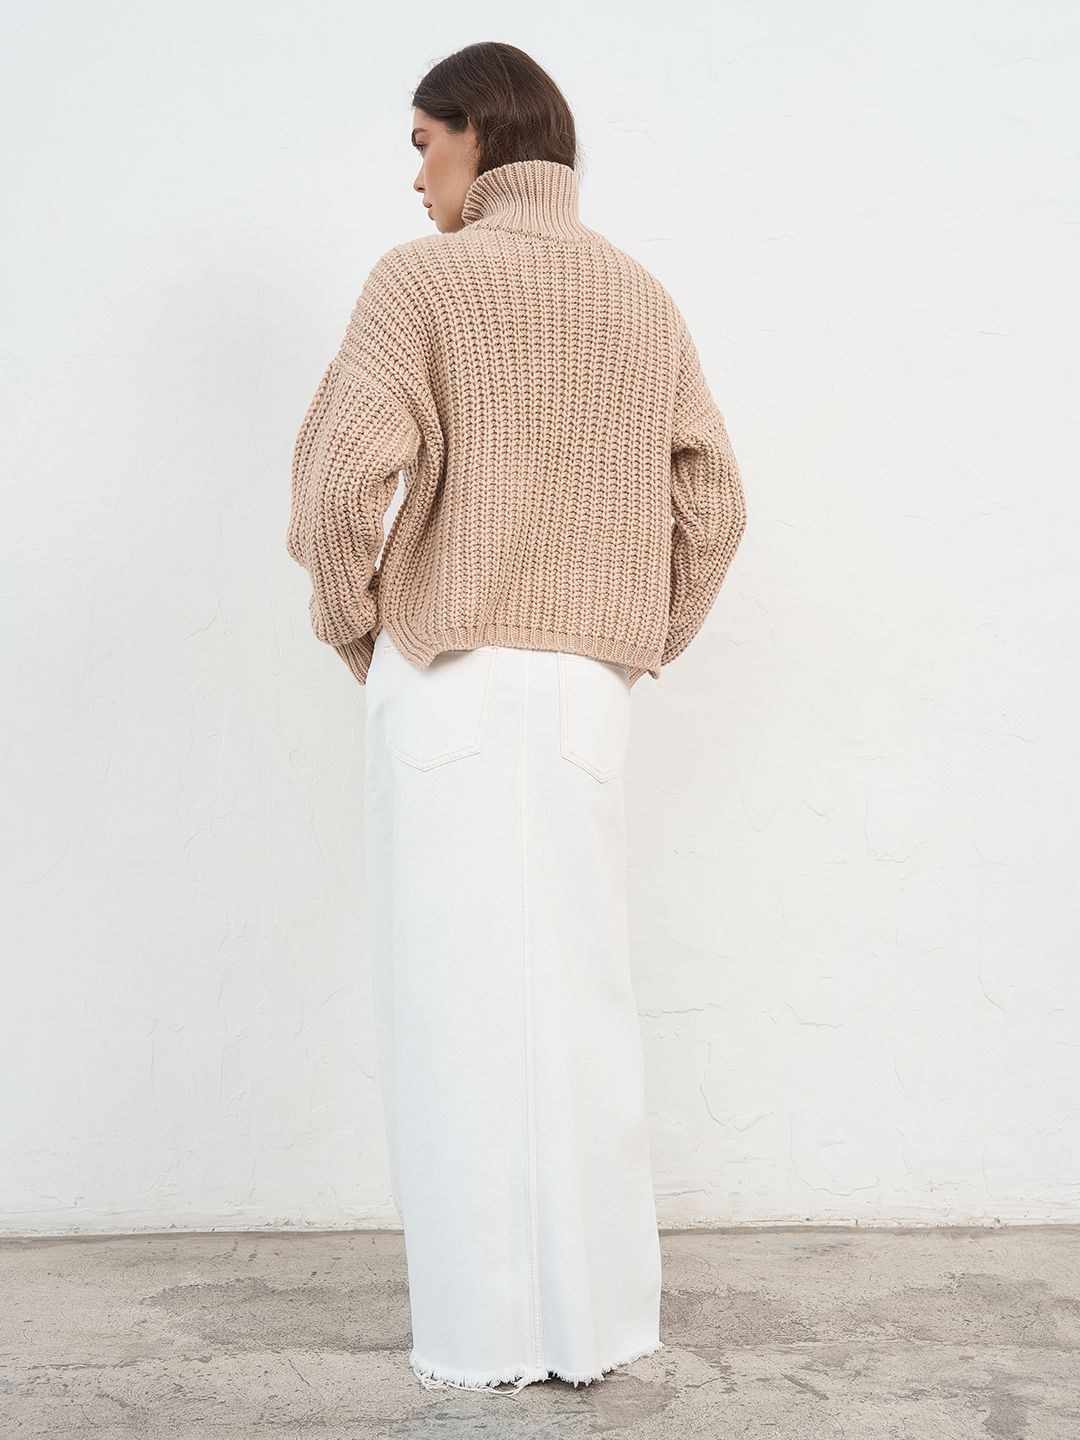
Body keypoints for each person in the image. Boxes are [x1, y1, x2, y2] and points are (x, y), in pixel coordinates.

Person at [286, 41, 747, 1396]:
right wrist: (637, 637)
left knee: (452, 1007)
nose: (416, 175)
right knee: (581, 1004)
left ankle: (481, 1338)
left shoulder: (419, 283)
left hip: (450, 674)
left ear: (480, 136)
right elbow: (716, 503)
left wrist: (359, 627)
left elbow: (335, 487)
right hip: (588, 696)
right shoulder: (638, 295)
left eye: (424, 143)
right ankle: (597, 1326)